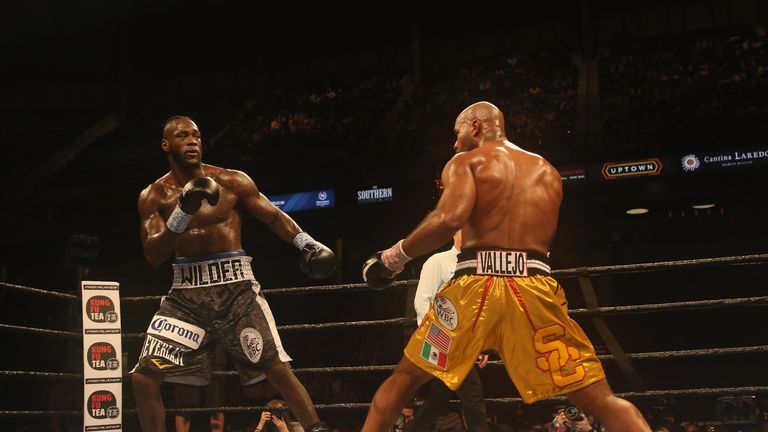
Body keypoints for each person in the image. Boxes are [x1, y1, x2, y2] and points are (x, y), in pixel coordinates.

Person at [361, 101, 651, 432]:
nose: (455, 144)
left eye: (457, 133)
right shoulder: (548, 172)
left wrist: (392, 258)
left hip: (472, 290)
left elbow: (448, 218)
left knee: (405, 380)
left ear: (474, 126)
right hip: (535, 290)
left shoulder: (466, 161)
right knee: (599, 398)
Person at [131, 115, 336, 432]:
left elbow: (274, 216)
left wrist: (308, 245)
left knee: (276, 368)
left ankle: (316, 429)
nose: (192, 141)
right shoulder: (154, 196)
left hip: (236, 289)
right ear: (166, 144)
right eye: (183, 135)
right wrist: (183, 212)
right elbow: (154, 254)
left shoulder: (232, 181)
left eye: (196, 135)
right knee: (144, 377)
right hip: (185, 296)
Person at [406, 230, 489, 432]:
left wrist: (482, 344)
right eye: (464, 230)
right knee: (472, 394)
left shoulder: (479, 265)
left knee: (439, 398)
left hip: (465, 342)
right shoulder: (438, 261)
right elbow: (423, 301)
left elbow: (478, 310)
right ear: (454, 234)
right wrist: (435, 337)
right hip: (441, 338)